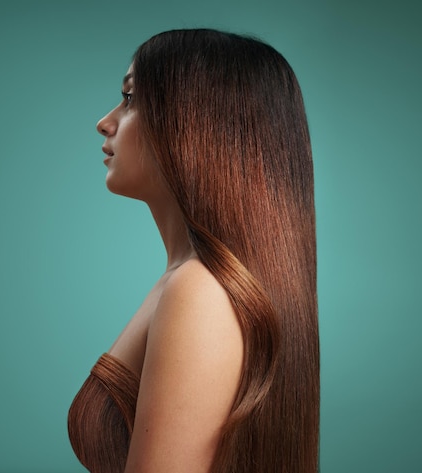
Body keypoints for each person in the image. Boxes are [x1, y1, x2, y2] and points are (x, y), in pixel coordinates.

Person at [67, 28, 319, 473]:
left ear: (195, 123)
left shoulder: (198, 292)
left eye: (130, 99)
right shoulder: (191, 279)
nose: (105, 122)